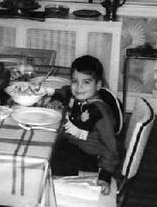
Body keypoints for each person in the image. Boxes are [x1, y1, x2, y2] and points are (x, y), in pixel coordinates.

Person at [50, 55, 119, 195]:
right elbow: (64, 90)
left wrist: (105, 177)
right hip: (72, 144)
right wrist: (57, 99)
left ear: (98, 85)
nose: (79, 87)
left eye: (86, 82)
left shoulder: (98, 112)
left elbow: (110, 147)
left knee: (48, 164)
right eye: (75, 81)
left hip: (89, 158)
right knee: (47, 149)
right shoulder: (78, 96)